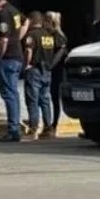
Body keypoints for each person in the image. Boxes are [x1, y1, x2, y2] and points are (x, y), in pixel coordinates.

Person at [23, 10, 68, 140]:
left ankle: (33, 129)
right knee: (45, 100)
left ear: (31, 21)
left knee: (32, 100)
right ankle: (48, 127)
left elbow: (28, 50)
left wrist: (26, 64)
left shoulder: (32, 35)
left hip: (35, 69)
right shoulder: (48, 36)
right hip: (47, 71)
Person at [0, 0, 25, 142]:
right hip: (16, 56)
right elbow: (26, 21)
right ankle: (14, 126)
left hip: (7, 58)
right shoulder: (14, 10)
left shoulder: (3, 13)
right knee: (13, 93)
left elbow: (3, 39)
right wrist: (18, 39)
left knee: (8, 94)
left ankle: (13, 130)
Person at [45, 11, 68, 135]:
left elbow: (59, 55)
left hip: (57, 72)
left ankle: (54, 124)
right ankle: (49, 124)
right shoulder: (49, 35)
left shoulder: (58, 36)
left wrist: (49, 66)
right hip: (52, 70)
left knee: (55, 98)